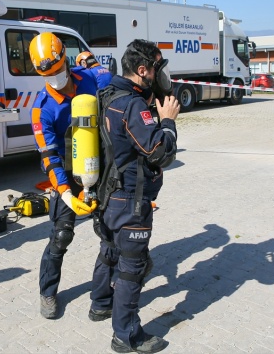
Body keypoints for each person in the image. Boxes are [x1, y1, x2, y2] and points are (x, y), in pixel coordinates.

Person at [89, 39, 179, 353]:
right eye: (156, 67)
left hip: (108, 194)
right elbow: (161, 152)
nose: (160, 73)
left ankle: (100, 304)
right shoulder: (132, 106)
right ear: (142, 70)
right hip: (130, 201)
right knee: (132, 267)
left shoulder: (108, 95)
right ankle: (125, 335)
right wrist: (167, 121)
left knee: (109, 250)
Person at [29, 32, 99, 319]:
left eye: (58, 70)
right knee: (60, 235)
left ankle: (126, 273)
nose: (55, 76)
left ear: (65, 60)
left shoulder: (92, 79)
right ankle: (47, 292)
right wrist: (66, 193)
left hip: (99, 165)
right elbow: (49, 155)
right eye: (48, 74)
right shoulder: (42, 109)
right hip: (67, 174)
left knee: (111, 228)